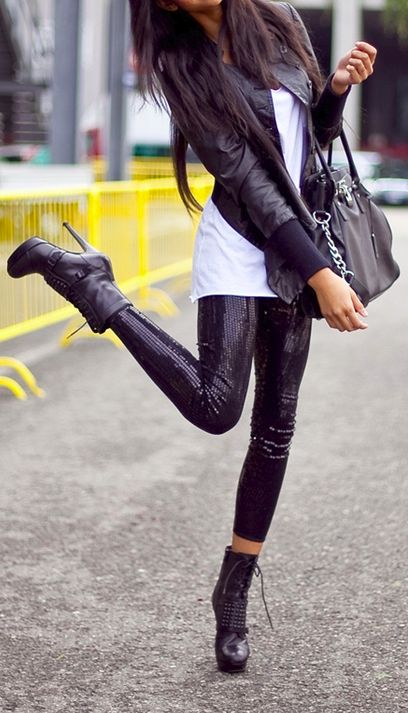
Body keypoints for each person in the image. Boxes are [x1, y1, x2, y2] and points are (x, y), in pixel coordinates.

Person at [7, 0, 376, 674]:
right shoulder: (182, 67)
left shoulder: (278, 19)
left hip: (300, 234)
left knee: (276, 427)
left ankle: (233, 593)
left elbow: (310, 140)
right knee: (216, 405)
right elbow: (252, 184)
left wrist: (336, 91)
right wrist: (319, 274)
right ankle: (98, 291)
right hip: (242, 242)